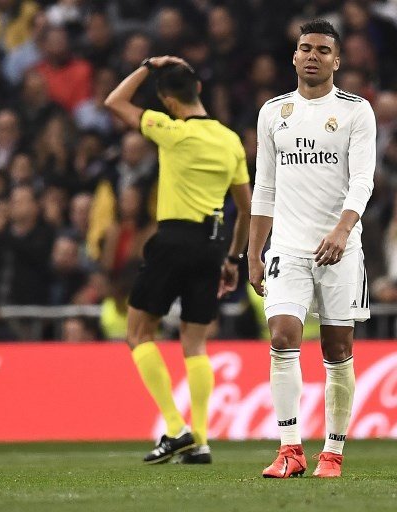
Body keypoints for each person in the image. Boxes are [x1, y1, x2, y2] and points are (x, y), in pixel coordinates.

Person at [104, 55, 252, 464]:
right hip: (212, 246)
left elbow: (114, 102)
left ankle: (175, 428)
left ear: (168, 102)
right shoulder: (230, 140)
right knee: (196, 344)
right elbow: (248, 207)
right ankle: (201, 440)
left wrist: (148, 66)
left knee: (138, 333)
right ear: (199, 90)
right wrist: (233, 259)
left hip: (173, 239)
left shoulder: (170, 130)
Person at [249, 20, 376, 479]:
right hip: (287, 245)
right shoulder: (274, 112)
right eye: (306, 48)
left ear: (337, 61)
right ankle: (289, 449)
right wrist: (252, 252)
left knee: (337, 348)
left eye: (323, 50)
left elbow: (363, 180)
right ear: (294, 56)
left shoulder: (356, 111)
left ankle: (333, 452)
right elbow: (265, 186)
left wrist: (342, 231)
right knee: (282, 338)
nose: (313, 56)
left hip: (342, 249)